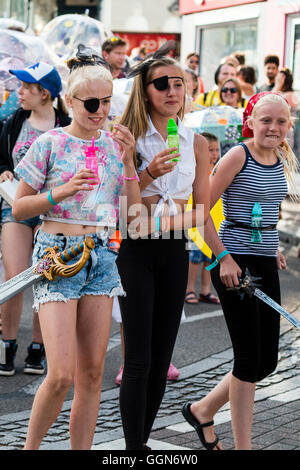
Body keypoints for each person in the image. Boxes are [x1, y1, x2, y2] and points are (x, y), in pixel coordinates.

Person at [11, 51, 140, 450]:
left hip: (101, 255)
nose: (100, 111)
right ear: (70, 101)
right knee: (62, 373)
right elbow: (18, 208)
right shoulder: (49, 142)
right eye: (91, 103)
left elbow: (132, 210)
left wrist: (130, 160)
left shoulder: (114, 146)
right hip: (57, 254)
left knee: (92, 374)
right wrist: (60, 192)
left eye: (106, 102)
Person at [181, 91, 299, 450]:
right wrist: (222, 258)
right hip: (233, 263)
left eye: (281, 121)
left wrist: (273, 245)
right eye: (266, 120)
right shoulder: (238, 155)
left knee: (266, 361)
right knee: (248, 360)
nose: (273, 127)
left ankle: (202, 409)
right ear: (250, 122)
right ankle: (243, 446)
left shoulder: (282, 158)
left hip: (264, 261)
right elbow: (200, 210)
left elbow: (265, 209)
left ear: (288, 125)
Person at [116, 42, 210, 450]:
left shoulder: (196, 143)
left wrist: (156, 214)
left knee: (160, 359)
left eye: (179, 84)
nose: (172, 91)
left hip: (173, 251)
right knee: (137, 360)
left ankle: (143, 443)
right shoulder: (129, 139)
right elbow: (125, 218)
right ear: (145, 90)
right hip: (136, 257)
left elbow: (202, 211)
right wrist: (148, 173)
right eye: (162, 84)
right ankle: (133, 450)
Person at [0, 62, 70, 376]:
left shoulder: (67, 124)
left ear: (45, 93)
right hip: (14, 207)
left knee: (45, 275)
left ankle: (38, 348)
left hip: (53, 212)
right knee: (15, 277)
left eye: (27, 87)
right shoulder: (13, 121)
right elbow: (2, 158)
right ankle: (7, 343)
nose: (20, 92)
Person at [185, 132, 220, 305]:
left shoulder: (219, 169)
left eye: (216, 150)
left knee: (210, 257)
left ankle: (206, 290)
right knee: (195, 257)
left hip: (212, 219)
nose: (214, 154)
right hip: (195, 222)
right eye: (210, 150)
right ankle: (189, 289)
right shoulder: (198, 168)